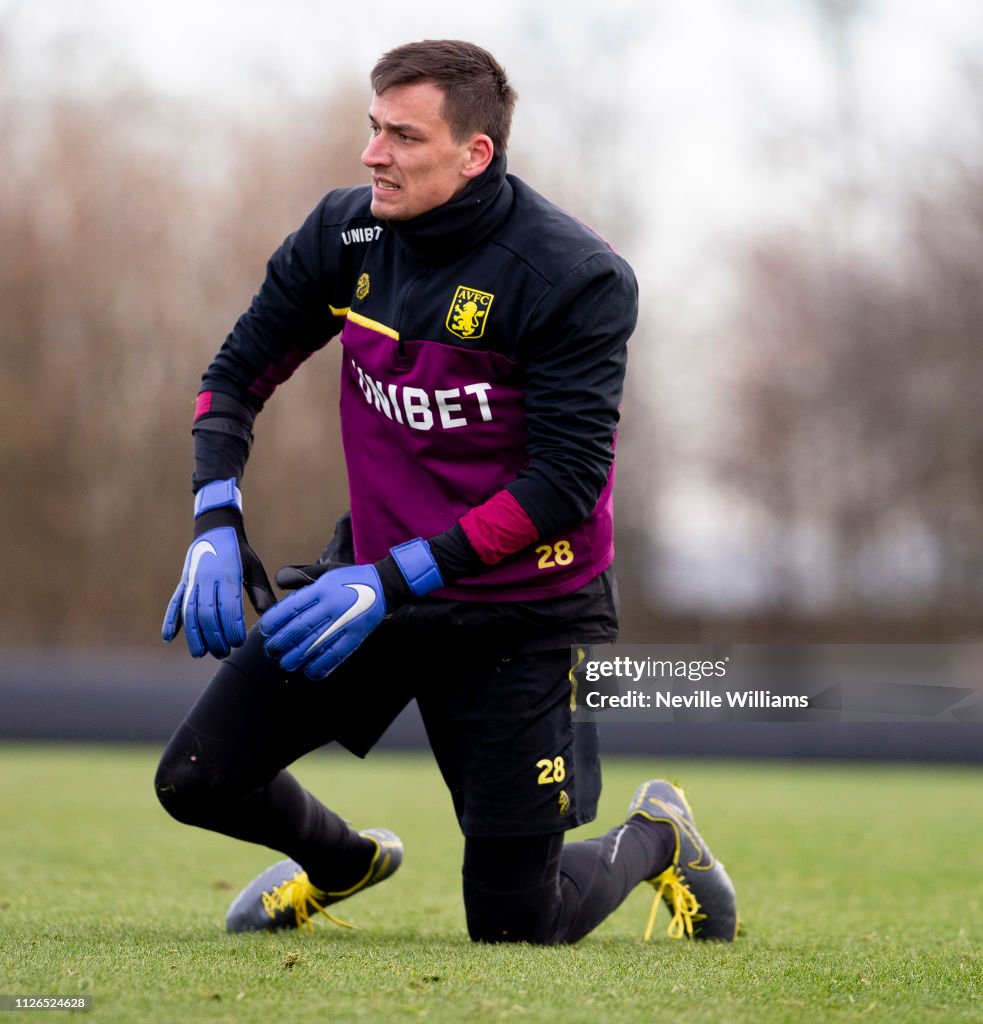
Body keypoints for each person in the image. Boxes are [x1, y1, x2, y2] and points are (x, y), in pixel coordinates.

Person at [156, 39, 737, 944]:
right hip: (374, 588)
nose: (372, 154)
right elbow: (234, 376)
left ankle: (656, 835)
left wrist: (392, 579)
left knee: (517, 926)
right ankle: (343, 862)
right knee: (195, 778)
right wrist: (214, 517)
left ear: (476, 153)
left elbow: (566, 484)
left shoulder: (572, 276)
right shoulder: (342, 234)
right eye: (372, 128)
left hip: (521, 610)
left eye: (402, 135)